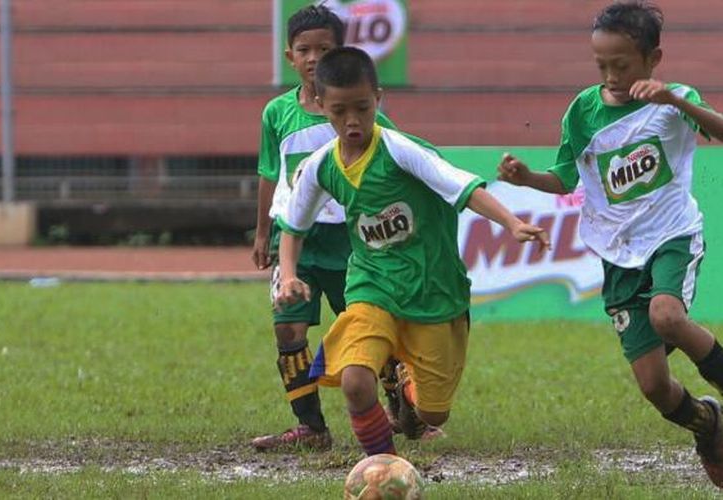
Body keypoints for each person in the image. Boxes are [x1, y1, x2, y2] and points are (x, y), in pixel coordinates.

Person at [275, 46, 549, 456]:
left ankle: (408, 395)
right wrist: (290, 274)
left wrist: (512, 222)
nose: (352, 122)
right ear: (320, 105)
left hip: (433, 291)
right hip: (373, 285)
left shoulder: (401, 150)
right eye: (339, 111)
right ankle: (382, 464)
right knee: (354, 379)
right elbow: (293, 226)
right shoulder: (320, 166)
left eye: (362, 109)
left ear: (378, 99)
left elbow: (463, 187)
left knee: (433, 415)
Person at [496, 1, 723, 487]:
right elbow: (563, 179)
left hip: (671, 236)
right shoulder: (583, 111)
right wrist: (525, 177)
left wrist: (677, 104)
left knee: (668, 316)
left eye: (621, 64)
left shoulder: (676, 100)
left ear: (653, 59)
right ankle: (709, 425)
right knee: (655, 387)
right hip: (616, 251)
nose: (611, 75)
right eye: (601, 64)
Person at [251, 5, 400, 451]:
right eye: (304, 50)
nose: (314, 57)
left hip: (350, 242)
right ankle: (311, 428)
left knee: (368, 327)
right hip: (293, 239)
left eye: (324, 49)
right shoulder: (277, 114)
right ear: (289, 57)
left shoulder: (360, 113)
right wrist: (261, 234)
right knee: (288, 330)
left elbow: (396, 160)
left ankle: (402, 407)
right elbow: (267, 173)